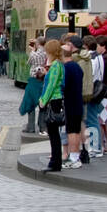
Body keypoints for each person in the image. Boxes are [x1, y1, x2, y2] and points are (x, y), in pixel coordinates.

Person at [37, 41, 65, 172]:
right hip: (55, 100)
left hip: (54, 100)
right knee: (53, 133)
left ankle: (55, 162)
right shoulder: (58, 65)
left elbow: (51, 85)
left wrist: (43, 100)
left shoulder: (55, 66)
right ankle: (55, 160)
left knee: (53, 133)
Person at [60, 37, 85, 168]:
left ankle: (73, 157)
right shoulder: (76, 66)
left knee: (71, 131)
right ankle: (76, 155)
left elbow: (62, 86)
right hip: (78, 101)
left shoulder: (66, 68)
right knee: (76, 130)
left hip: (70, 102)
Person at [19, 39, 46, 133]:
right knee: (42, 104)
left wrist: (32, 50)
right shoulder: (46, 53)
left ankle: (31, 127)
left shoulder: (33, 54)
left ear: (37, 44)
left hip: (34, 79)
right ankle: (42, 126)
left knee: (30, 103)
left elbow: (29, 63)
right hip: (43, 79)